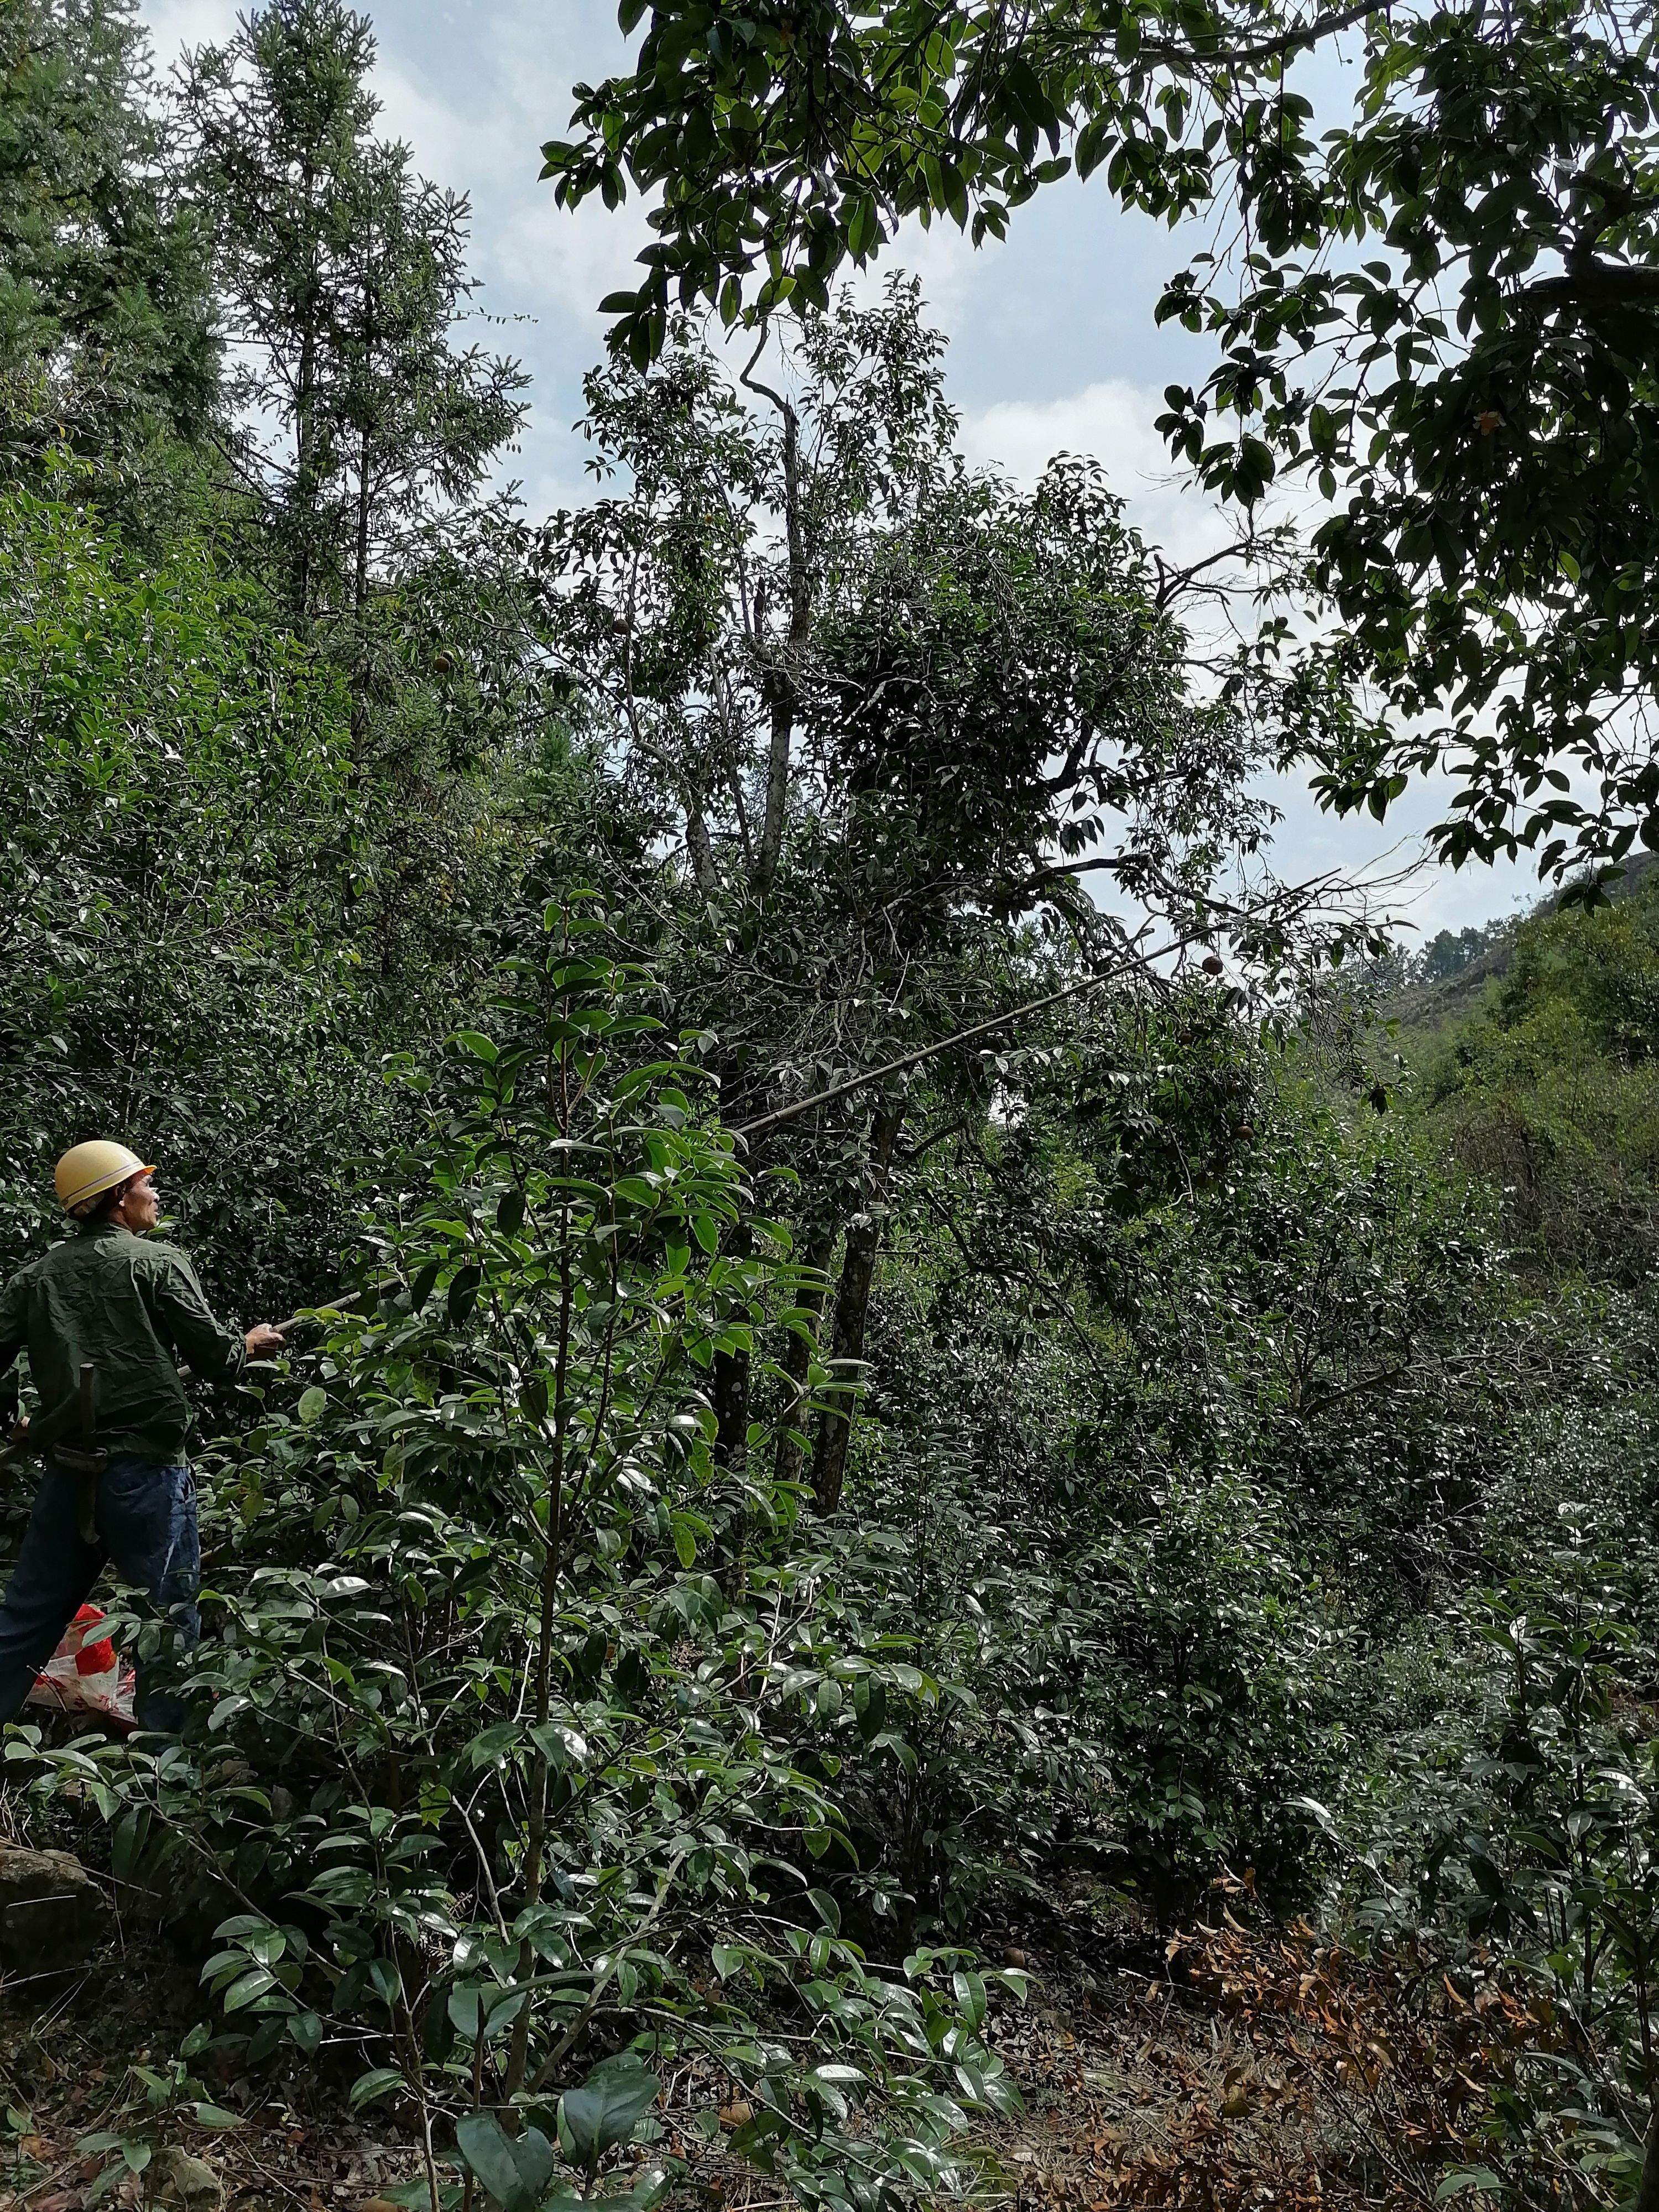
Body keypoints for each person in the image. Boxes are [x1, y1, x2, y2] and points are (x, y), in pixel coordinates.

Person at [0, 1142, 285, 1735]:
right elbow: (216, 1358)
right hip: (147, 1476)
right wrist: (249, 1345)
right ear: (117, 1196)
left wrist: (16, 1418)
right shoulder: (155, 1261)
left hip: (69, 1472)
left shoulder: (34, 1279)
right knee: (167, 1627)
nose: (155, 1193)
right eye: (144, 1183)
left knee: (25, 1621)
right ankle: (166, 1777)